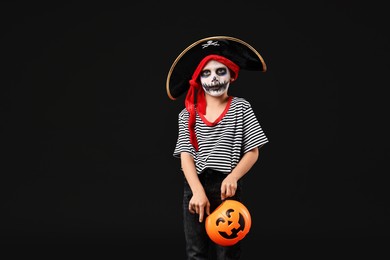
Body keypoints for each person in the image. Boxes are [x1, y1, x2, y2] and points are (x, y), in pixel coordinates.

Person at [166, 36, 269, 260]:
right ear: (198, 79)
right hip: (196, 187)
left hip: (226, 189)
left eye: (220, 72)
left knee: (228, 252)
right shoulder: (187, 115)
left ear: (232, 74)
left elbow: (253, 151)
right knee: (196, 252)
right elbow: (186, 157)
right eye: (206, 73)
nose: (214, 79)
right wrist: (197, 192)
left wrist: (233, 177)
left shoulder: (241, 107)